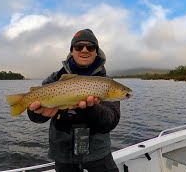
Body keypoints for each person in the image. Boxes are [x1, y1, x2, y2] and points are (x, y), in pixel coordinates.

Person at [27, 29, 120, 172]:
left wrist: (91, 107)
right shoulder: (55, 79)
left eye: (90, 47)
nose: (84, 50)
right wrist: (37, 113)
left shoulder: (107, 83)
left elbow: (111, 121)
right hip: (63, 156)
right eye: (78, 46)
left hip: (98, 155)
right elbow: (35, 117)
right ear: (72, 51)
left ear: (96, 51)